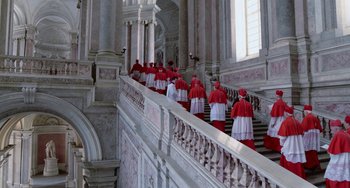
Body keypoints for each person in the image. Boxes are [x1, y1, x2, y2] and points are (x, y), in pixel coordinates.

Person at [278, 106, 306, 179]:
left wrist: (282, 145)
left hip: (289, 145)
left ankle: (289, 177)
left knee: (289, 161)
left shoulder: (285, 122)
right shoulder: (297, 122)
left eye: (284, 112)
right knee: (297, 162)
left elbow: (282, 138)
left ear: (286, 113)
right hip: (298, 146)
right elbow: (302, 134)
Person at [324, 119, 350, 188]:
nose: (331, 131)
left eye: (332, 129)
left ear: (336, 128)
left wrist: (328, 149)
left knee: (335, 178)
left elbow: (332, 152)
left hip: (339, 161)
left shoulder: (338, 135)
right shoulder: (346, 133)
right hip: (346, 161)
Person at [300, 105, 323, 170]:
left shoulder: (306, 118)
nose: (304, 113)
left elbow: (302, 130)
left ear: (306, 111)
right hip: (314, 140)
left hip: (307, 140)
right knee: (313, 152)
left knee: (308, 152)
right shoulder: (315, 118)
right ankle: (315, 165)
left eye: (304, 111)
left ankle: (309, 166)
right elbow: (320, 129)